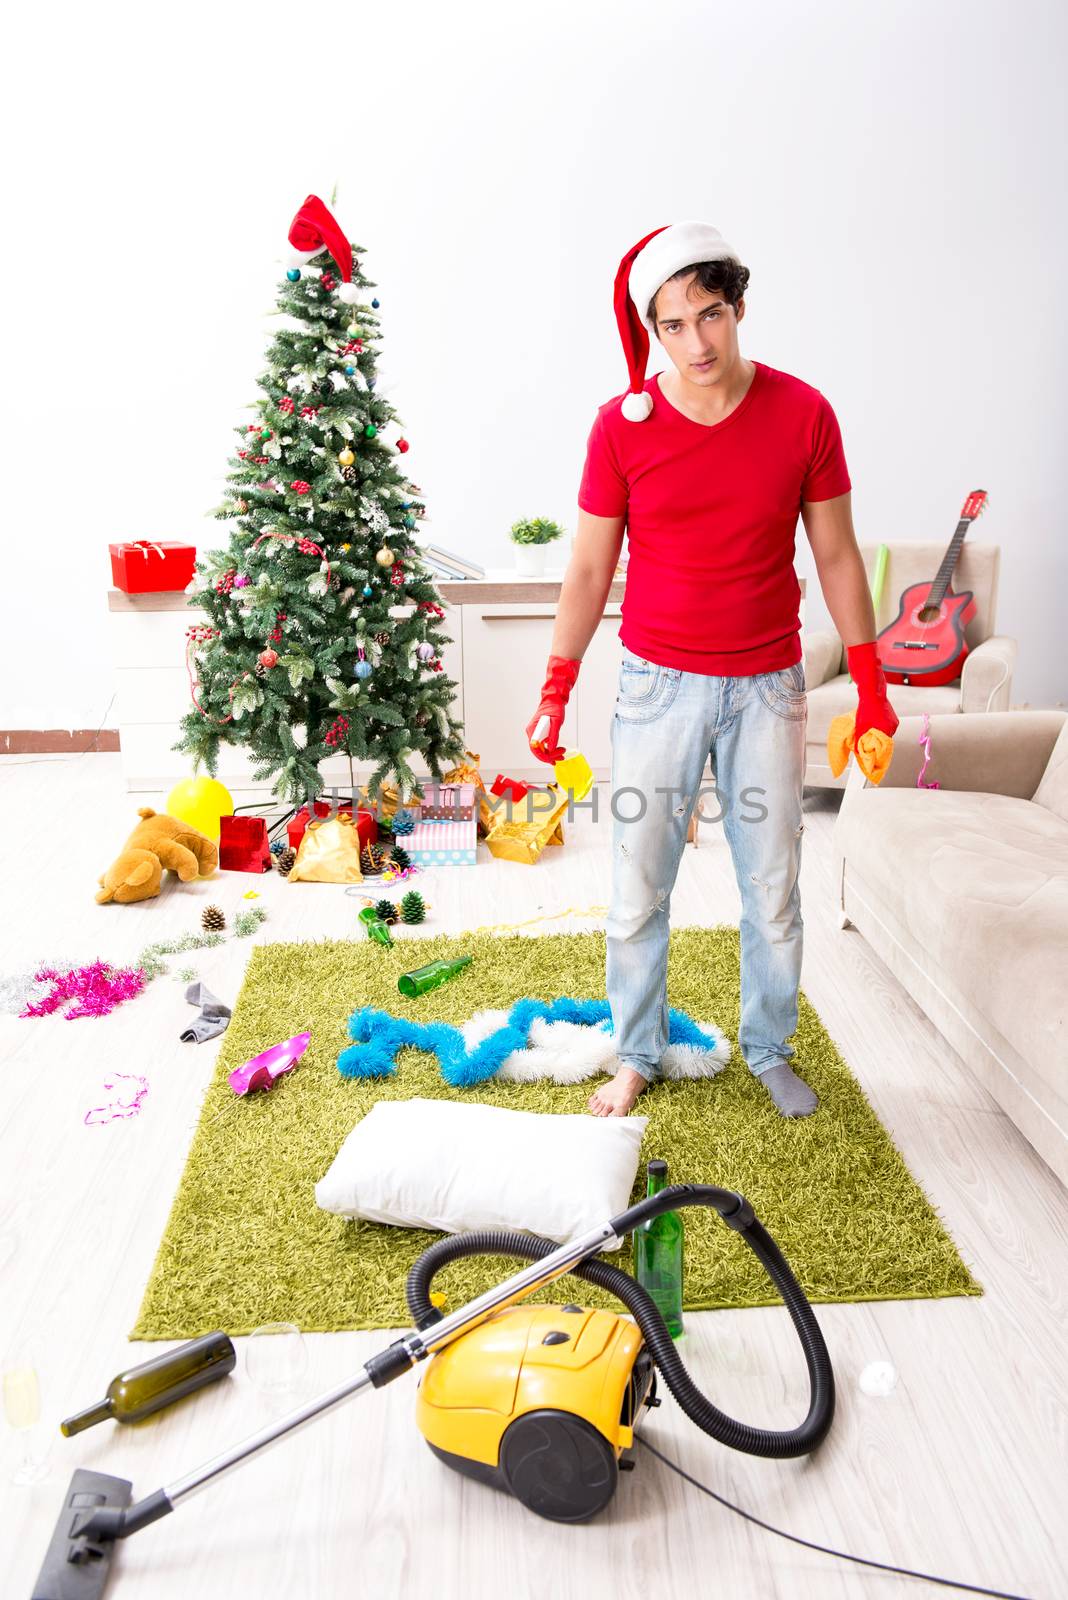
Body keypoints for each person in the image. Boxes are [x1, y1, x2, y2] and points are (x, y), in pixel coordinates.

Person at [524, 222, 898, 1120]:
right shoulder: (621, 429)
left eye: (712, 315)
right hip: (658, 690)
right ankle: (636, 1054)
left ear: (738, 308)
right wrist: (554, 686)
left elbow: (838, 556)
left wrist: (875, 685)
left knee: (773, 887)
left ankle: (769, 1046)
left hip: (769, 690)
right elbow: (588, 569)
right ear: (652, 331)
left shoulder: (803, 413)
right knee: (637, 885)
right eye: (673, 325)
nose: (697, 343)